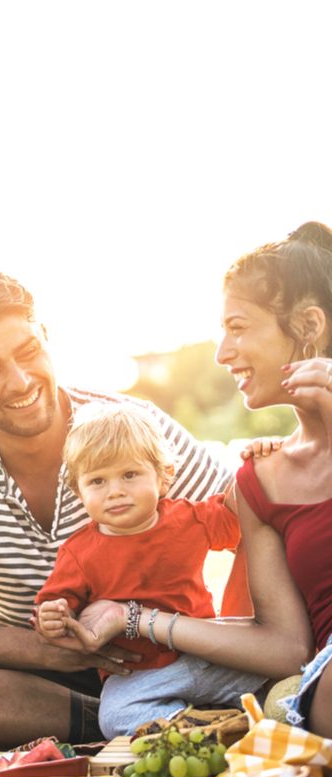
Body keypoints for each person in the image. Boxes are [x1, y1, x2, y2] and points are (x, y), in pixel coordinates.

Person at [0, 269, 239, 748]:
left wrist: (233, 638)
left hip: (167, 661)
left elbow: (251, 525)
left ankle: (149, 712)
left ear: (46, 339)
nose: (20, 381)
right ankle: (116, 723)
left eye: (28, 352)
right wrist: (49, 652)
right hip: (27, 680)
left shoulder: (131, 426)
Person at [61, 222, 332, 737]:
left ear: (308, 325)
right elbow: (285, 648)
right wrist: (134, 618)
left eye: (239, 327)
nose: (222, 353)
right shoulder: (260, 480)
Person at [33, 402, 265, 737]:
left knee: (280, 679)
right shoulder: (79, 553)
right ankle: (200, 726)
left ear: (163, 476)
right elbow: (53, 608)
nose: (116, 491)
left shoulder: (189, 519)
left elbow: (237, 516)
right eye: (97, 481)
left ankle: (225, 719)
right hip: (141, 675)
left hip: (207, 654)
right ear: (78, 491)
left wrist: (255, 464)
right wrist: (52, 618)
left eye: (130, 474)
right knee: (114, 716)